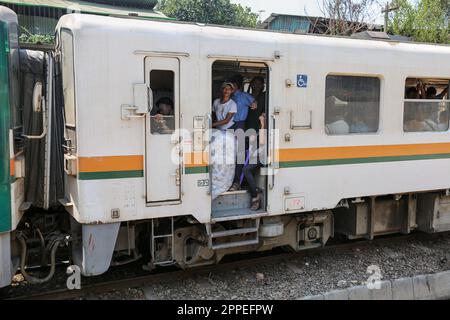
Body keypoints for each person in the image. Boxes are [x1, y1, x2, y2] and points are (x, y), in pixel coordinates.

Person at [229, 74, 257, 192]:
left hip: (239, 124)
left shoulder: (243, 96)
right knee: (229, 154)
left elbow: (254, 103)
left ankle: (237, 182)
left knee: (239, 155)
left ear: (235, 85)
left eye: (230, 85)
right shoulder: (228, 96)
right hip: (228, 125)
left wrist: (254, 104)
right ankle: (229, 180)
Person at [243, 113, 267, 211]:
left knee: (246, 170)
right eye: (261, 116)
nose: (261, 117)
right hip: (256, 155)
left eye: (264, 116)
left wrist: (262, 123)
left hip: (263, 157)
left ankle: (255, 196)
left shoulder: (265, 129)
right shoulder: (259, 129)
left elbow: (262, 142)